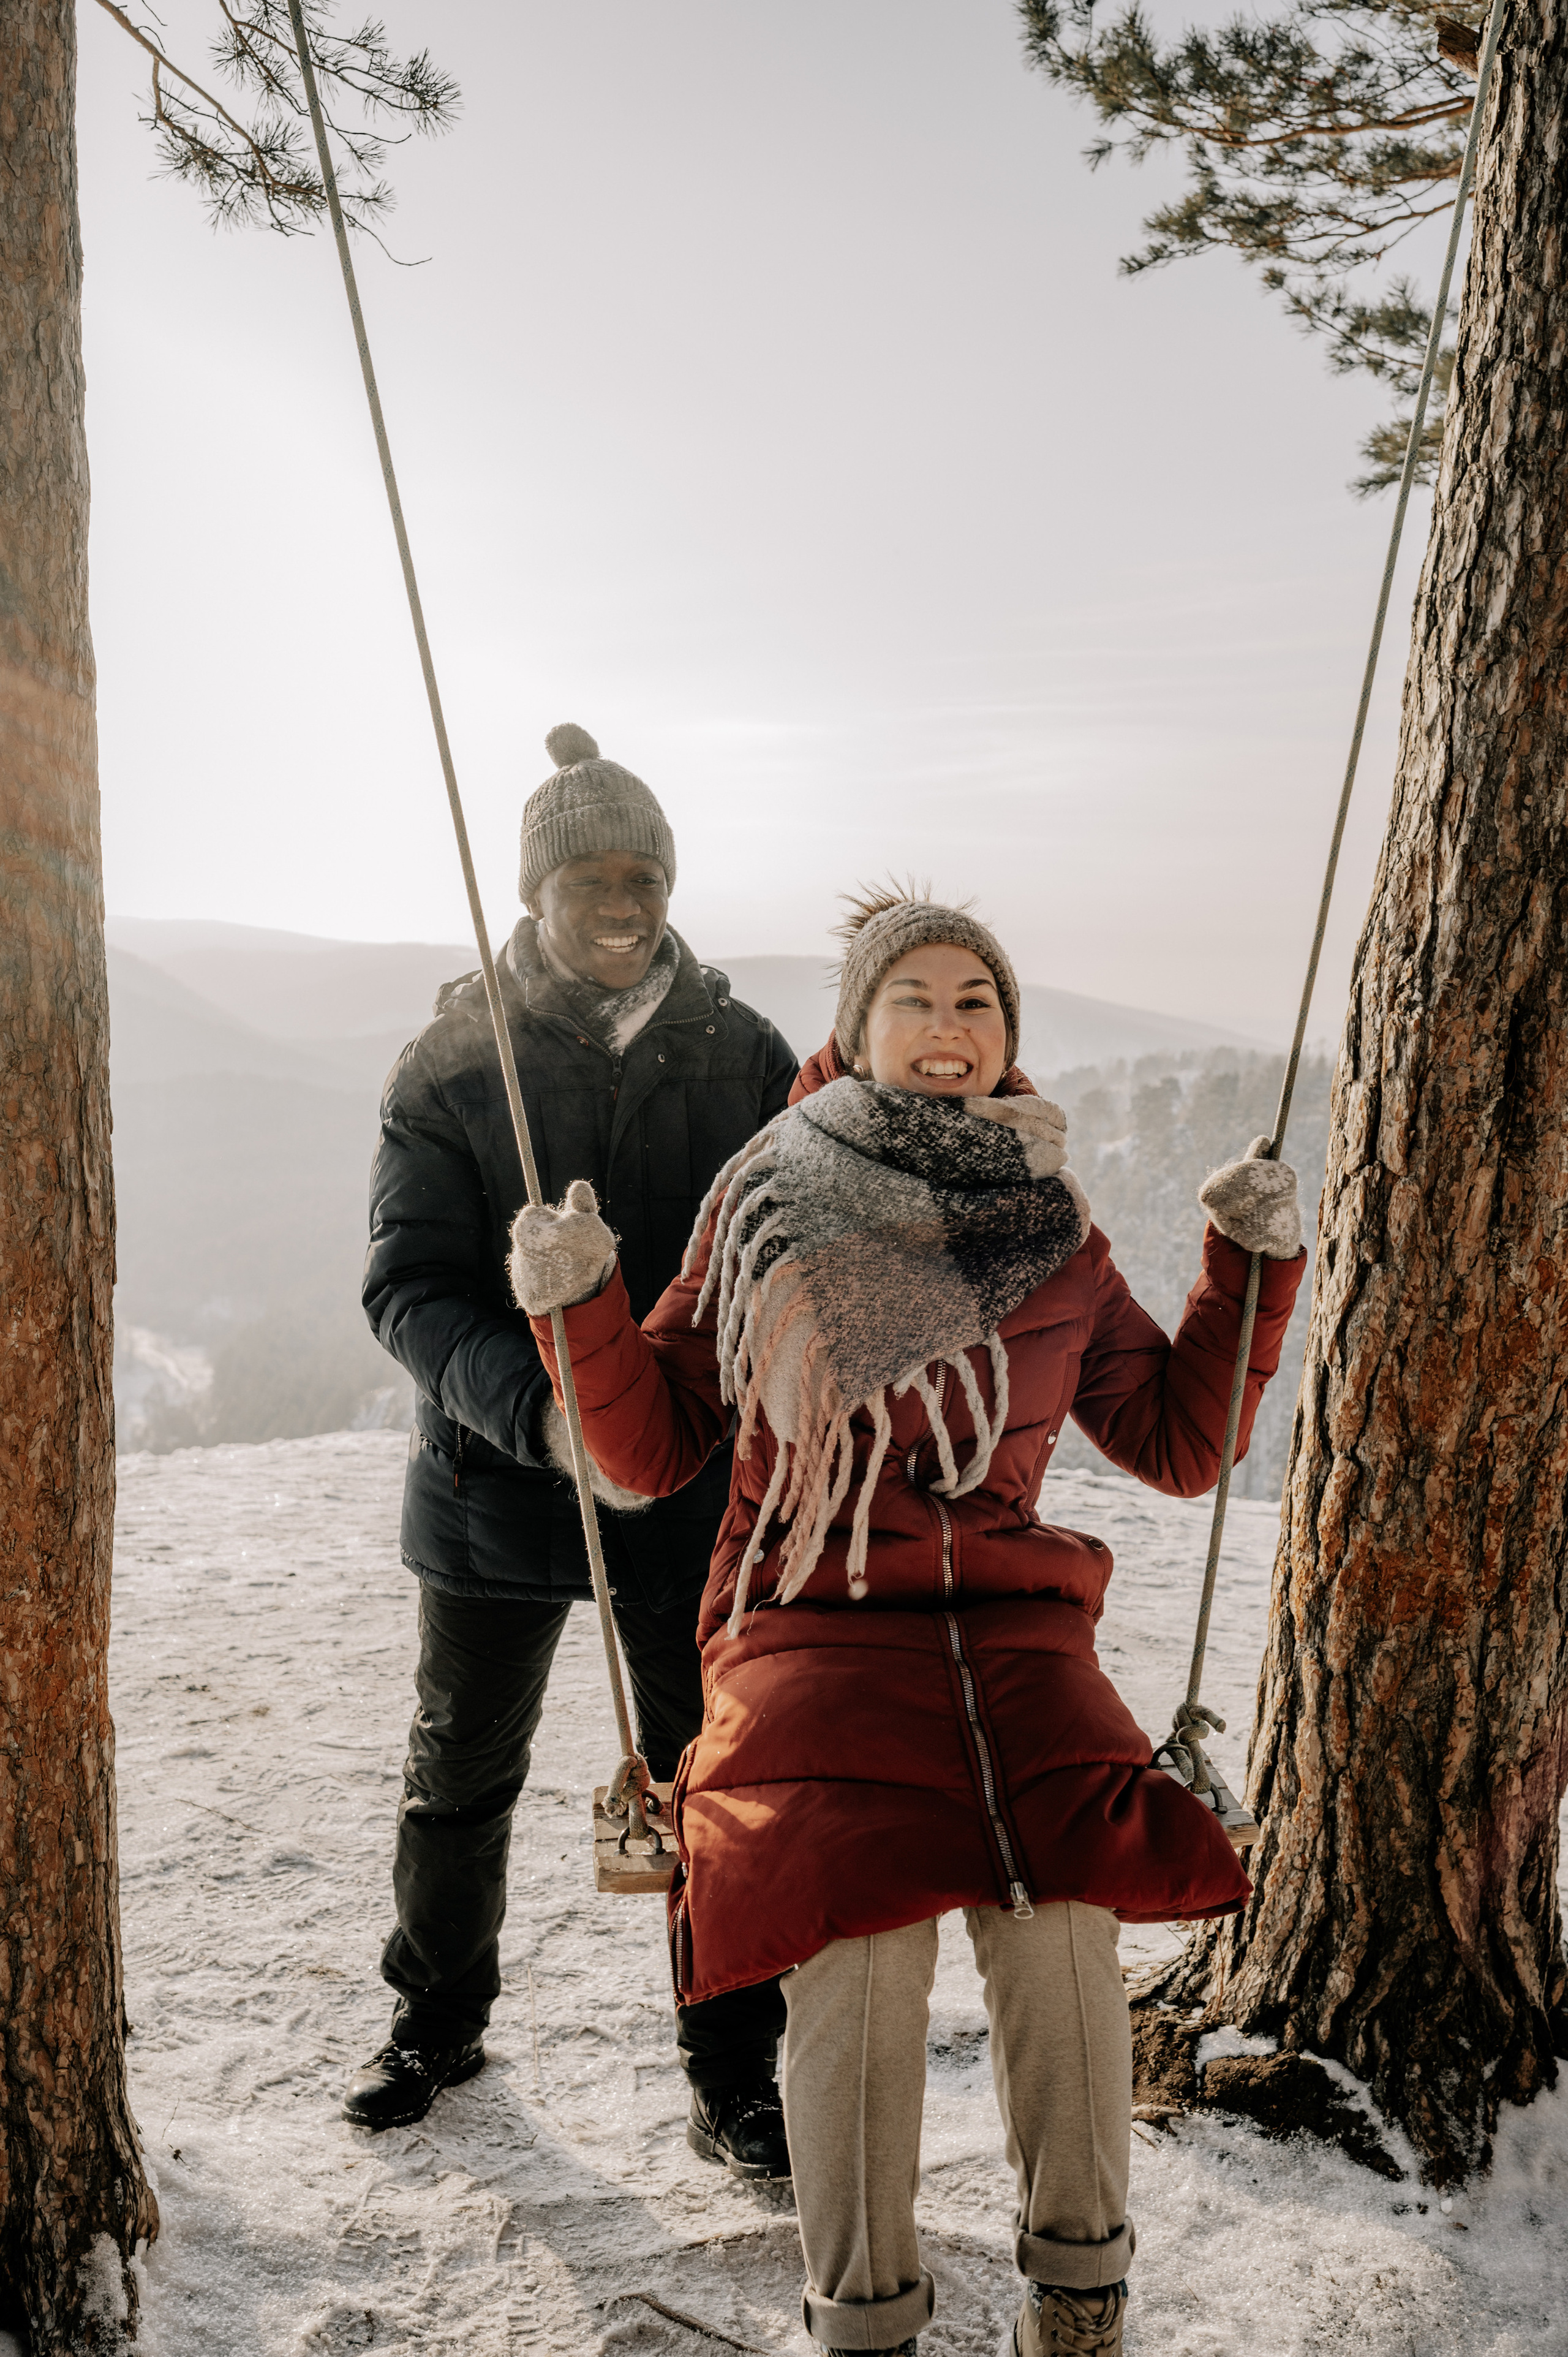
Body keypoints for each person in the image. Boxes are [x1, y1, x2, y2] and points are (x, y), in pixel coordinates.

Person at [510, 888, 1307, 2357]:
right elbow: (651, 1446)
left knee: (1062, 1910)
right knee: (855, 1928)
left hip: (1011, 1628)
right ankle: (864, 2322)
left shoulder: (1054, 1232)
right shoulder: (764, 1206)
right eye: (916, 1000)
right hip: (808, 1627)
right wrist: (582, 1312)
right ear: (857, 1025)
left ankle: (1078, 2298)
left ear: (1006, 1035)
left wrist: (1238, 1279)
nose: (948, 1030)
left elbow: (1179, 1441)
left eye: (976, 1003)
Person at [345, 724, 797, 2175]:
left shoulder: (744, 1055)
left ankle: (733, 2072)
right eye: (591, 874)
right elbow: (407, 1285)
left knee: (705, 1777)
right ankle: (433, 2023)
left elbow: (793, 1255)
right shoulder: (450, 1057)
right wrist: (541, 1415)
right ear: (535, 888)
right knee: (461, 1769)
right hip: (491, 1483)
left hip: (682, 1487)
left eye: (646, 873)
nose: (623, 899)